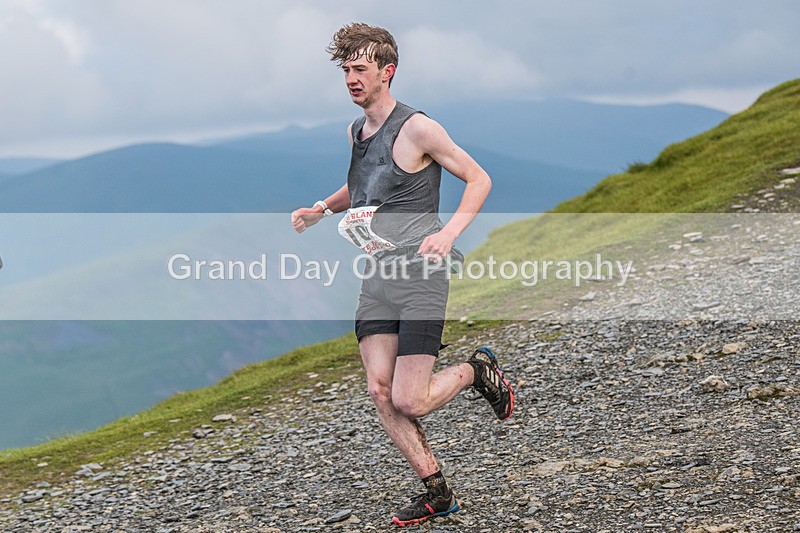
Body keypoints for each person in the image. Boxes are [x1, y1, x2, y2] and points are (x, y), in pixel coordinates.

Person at [291, 22, 514, 527]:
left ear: (386, 72)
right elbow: (363, 186)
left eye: (360, 69)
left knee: (409, 397)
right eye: (346, 69)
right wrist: (320, 209)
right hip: (378, 273)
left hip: (422, 274)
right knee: (379, 390)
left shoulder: (418, 128)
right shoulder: (356, 131)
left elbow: (479, 178)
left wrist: (449, 233)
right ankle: (436, 490)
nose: (351, 78)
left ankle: (475, 370)